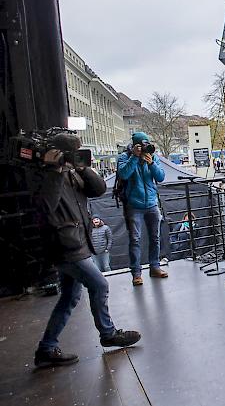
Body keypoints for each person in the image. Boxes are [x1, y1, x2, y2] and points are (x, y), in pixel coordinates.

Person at [33, 133, 140, 368]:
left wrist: (82, 168)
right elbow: (45, 207)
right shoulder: (46, 174)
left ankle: (47, 348)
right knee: (100, 284)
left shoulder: (72, 173)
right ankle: (108, 333)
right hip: (65, 246)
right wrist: (55, 170)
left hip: (77, 242)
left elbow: (98, 189)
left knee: (70, 298)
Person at [117, 132, 166, 286]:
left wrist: (151, 164)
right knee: (135, 239)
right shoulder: (124, 157)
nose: (145, 148)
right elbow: (124, 174)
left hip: (151, 203)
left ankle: (155, 267)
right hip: (134, 204)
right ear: (135, 145)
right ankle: (136, 273)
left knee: (155, 237)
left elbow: (161, 177)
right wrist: (134, 157)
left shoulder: (152, 156)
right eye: (141, 145)